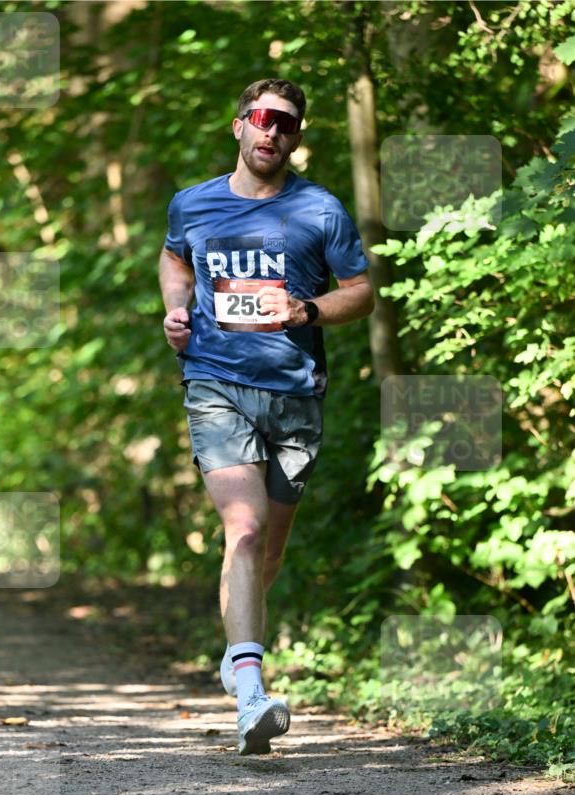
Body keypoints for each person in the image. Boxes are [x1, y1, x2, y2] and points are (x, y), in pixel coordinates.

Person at [159, 78, 374, 755]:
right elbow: (174, 256)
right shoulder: (193, 202)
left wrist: (306, 310)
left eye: (284, 123)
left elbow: (361, 293)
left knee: (267, 550)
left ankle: (237, 648)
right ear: (238, 126)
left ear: (296, 137)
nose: (270, 131)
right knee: (244, 530)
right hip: (215, 383)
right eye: (260, 118)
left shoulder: (319, 210)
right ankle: (251, 694)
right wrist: (175, 310)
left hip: (295, 395)